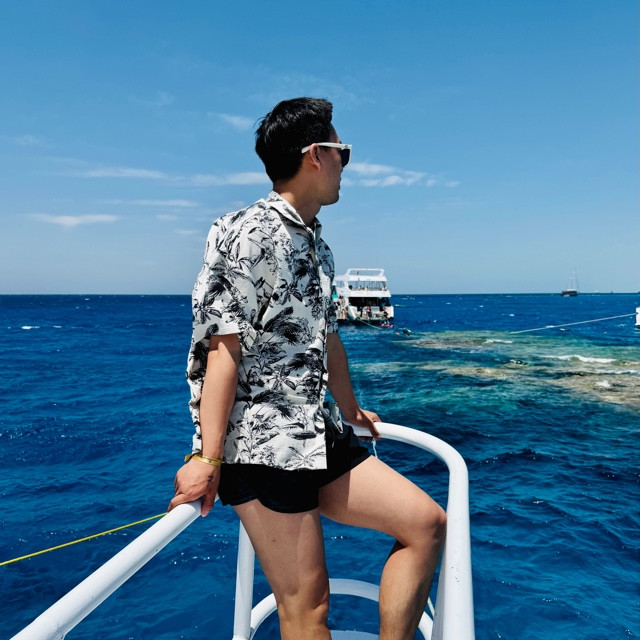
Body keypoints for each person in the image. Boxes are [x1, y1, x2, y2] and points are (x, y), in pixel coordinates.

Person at [169, 97, 446, 640]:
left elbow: (327, 338)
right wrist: (207, 456)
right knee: (307, 607)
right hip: (264, 447)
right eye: (344, 151)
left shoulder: (318, 244)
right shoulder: (243, 232)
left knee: (426, 524)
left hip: (317, 432)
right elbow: (223, 351)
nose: (347, 164)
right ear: (315, 154)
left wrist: (351, 409)